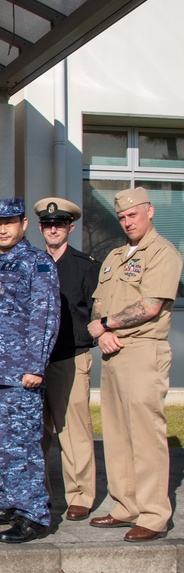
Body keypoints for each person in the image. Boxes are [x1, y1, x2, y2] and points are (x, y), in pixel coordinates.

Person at [87, 187, 182, 542]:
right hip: (113, 351)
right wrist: (102, 333)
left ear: (150, 211)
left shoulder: (162, 253)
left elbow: (152, 305)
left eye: (134, 215)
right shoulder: (114, 255)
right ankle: (125, 505)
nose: (128, 222)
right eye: (123, 217)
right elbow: (99, 303)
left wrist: (107, 324)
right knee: (115, 434)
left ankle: (155, 514)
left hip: (143, 350)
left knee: (145, 434)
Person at [0, 198, 59, 544]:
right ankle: (5, 502)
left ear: (22, 224)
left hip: (18, 374)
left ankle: (33, 513)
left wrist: (35, 365)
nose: (2, 229)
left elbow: (45, 316)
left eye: (8, 222)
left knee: (19, 445)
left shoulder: (36, 262)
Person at [34, 198, 100, 522]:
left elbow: (97, 311)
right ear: (40, 228)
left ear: (70, 227)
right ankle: (40, 494)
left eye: (59, 224)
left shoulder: (86, 266)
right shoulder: (33, 264)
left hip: (70, 357)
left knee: (73, 431)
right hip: (36, 363)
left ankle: (80, 495)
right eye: (47, 224)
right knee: (37, 434)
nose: (53, 229)